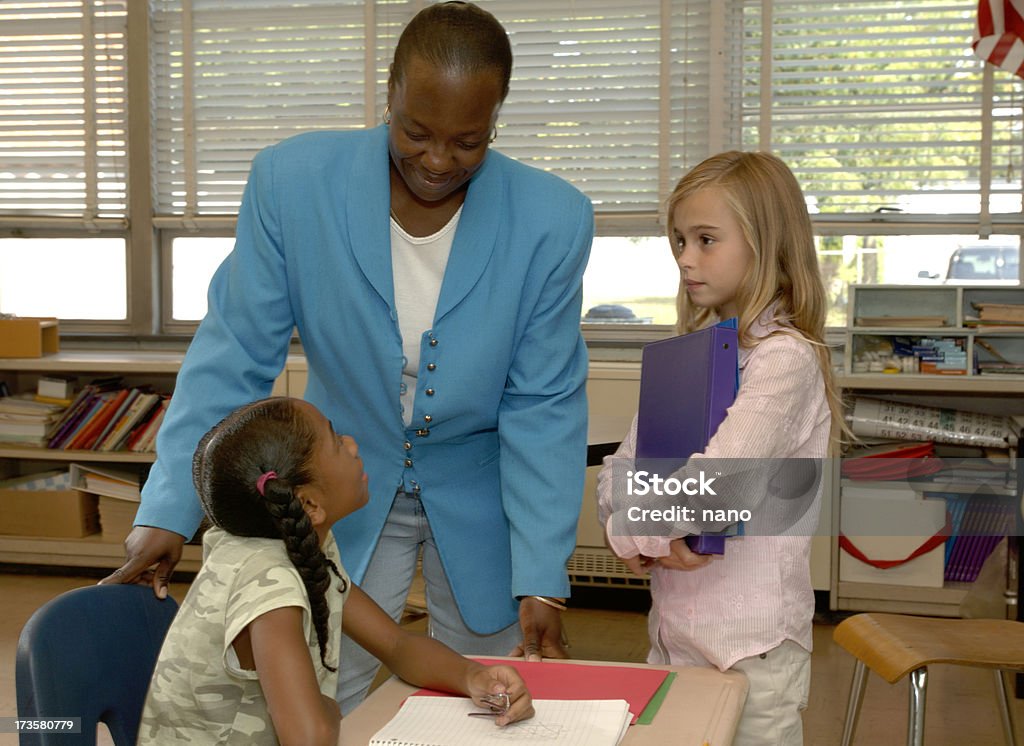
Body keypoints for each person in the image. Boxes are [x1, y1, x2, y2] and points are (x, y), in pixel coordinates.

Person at [102, 0, 592, 714]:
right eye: (416, 131)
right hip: (342, 485)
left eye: (467, 141)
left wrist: (543, 574)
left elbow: (542, 403)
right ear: (388, 93)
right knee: (330, 687)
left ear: (497, 118)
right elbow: (234, 356)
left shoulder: (553, 218)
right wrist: (168, 510)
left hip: (483, 494)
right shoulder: (293, 184)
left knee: (490, 691)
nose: (436, 160)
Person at [596, 151, 844, 746]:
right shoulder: (688, 355)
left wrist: (631, 531)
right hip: (675, 637)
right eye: (679, 240)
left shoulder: (785, 360)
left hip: (753, 652)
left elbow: (716, 491)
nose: (685, 257)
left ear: (767, 244)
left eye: (706, 239)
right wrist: (640, 520)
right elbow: (616, 476)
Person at [138, 397, 533, 745]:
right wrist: (327, 704)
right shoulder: (269, 585)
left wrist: (472, 676)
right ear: (309, 505)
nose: (352, 444)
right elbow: (310, 738)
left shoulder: (292, 544)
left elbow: (397, 646)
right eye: (336, 441)